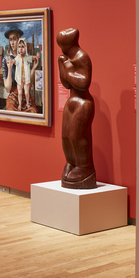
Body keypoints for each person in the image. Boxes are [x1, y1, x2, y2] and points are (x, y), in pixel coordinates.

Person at [57, 27, 96, 189]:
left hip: (83, 102)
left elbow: (83, 83)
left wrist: (68, 68)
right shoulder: (67, 58)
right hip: (71, 101)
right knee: (66, 136)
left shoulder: (82, 57)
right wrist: (62, 66)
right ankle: (71, 162)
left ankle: (84, 166)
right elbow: (66, 84)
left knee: (77, 135)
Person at [1, 27, 40, 112]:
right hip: (13, 95)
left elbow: (29, 86)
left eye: (14, 39)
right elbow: (7, 89)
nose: (12, 43)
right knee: (11, 111)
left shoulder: (26, 57)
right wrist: (10, 67)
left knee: (32, 112)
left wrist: (33, 68)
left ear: (19, 40)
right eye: (10, 40)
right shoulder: (6, 59)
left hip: (25, 93)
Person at [14, 38, 32, 110]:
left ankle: (27, 103)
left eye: (22, 47)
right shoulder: (17, 58)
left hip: (26, 78)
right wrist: (10, 61)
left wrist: (36, 57)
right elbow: (14, 61)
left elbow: (33, 58)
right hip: (19, 78)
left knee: (27, 93)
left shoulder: (27, 58)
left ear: (25, 48)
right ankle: (19, 105)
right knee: (20, 93)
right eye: (19, 47)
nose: (21, 49)